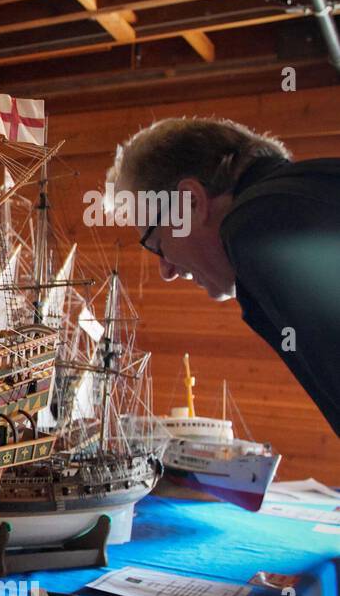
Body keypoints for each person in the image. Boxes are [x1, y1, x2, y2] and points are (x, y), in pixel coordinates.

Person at [108, 117, 340, 437]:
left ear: (190, 202)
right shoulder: (307, 191)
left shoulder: (260, 225)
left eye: (156, 244)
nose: (166, 270)